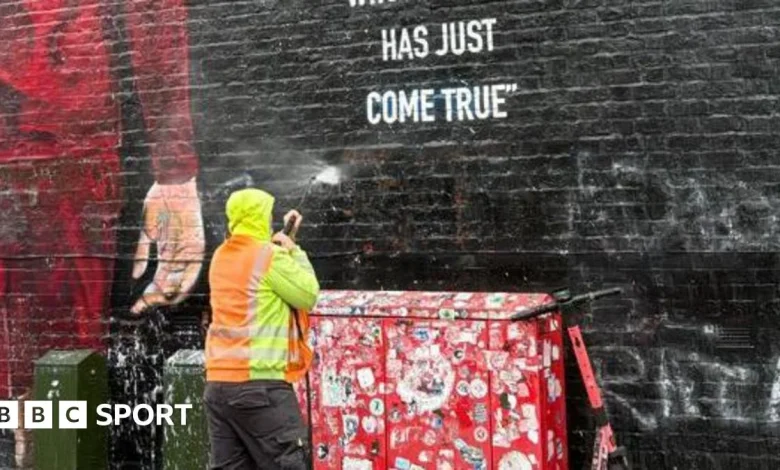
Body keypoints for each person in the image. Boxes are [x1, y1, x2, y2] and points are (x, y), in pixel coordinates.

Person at [204, 188, 319, 470]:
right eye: (267, 215)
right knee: (290, 463)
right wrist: (294, 251)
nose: (269, 220)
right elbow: (308, 294)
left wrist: (281, 243)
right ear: (258, 217)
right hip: (260, 387)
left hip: (218, 388)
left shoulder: (220, 257)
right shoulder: (270, 257)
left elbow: (255, 276)